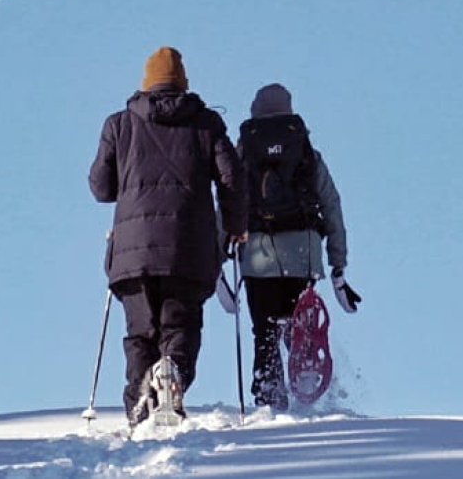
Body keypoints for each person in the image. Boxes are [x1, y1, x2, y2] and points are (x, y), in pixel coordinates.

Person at [89, 46, 248, 427]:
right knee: (180, 324)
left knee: (140, 331)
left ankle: (140, 403)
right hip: (188, 248)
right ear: (183, 82)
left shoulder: (119, 124)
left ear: (145, 83)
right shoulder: (207, 124)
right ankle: (171, 372)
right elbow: (232, 179)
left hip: (131, 252)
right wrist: (237, 227)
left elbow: (100, 187)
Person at [234, 83, 350, 412]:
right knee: (300, 329)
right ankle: (307, 388)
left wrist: (218, 257)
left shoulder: (243, 153)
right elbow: (331, 206)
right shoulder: (307, 153)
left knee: (265, 331)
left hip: (259, 256)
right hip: (305, 254)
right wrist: (338, 262)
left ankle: (269, 396)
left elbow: (227, 206)